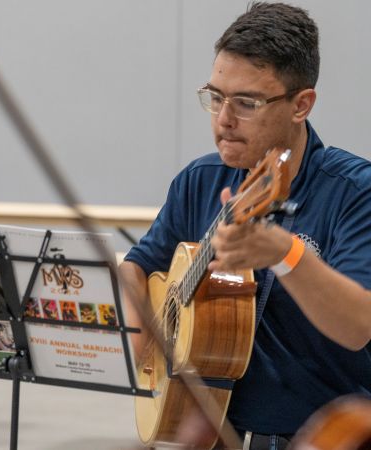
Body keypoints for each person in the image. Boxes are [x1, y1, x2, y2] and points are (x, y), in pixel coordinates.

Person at [120, 3, 371, 447]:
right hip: (214, 435)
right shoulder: (199, 181)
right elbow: (136, 267)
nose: (223, 120)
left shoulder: (355, 192)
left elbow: (358, 325)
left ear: (301, 105)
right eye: (215, 97)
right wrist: (148, 352)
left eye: (247, 103)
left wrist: (284, 253)